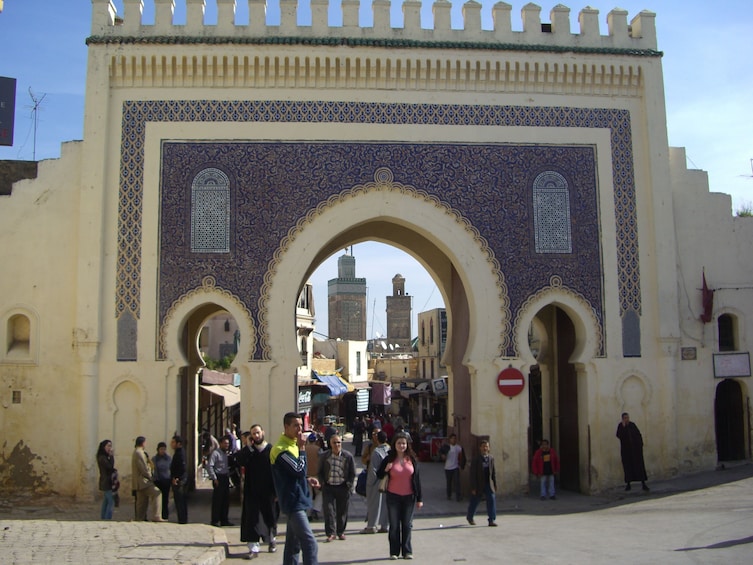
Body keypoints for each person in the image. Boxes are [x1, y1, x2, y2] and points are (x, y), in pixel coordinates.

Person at [271, 412, 320, 565]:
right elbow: (298, 469)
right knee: (310, 542)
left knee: (293, 545)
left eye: (301, 425)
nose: (299, 429)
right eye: (295, 426)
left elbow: (295, 473)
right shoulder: (280, 449)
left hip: (300, 498)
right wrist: (302, 448)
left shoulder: (293, 445)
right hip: (293, 502)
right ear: (286, 427)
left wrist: (306, 479)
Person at [376, 432, 423, 560]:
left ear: (407, 445)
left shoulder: (412, 459)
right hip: (393, 497)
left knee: (407, 525)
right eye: (399, 443)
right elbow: (378, 475)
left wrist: (420, 499)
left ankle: (407, 551)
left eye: (404, 443)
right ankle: (394, 552)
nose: (401, 446)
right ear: (394, 444)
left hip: (409, 497)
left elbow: (417, 480)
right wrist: (386, 469)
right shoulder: (389, 458)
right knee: (395, 525)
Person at [237, 424, 279, 559]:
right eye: (253, 434)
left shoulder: (271, 450)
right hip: (252, 491)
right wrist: (249, 446)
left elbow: (276, 472)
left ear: (263, 433)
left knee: (270, 517)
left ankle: (272, 541)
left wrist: (277, 492)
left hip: (268, 491)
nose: (256, 436)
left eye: (257, 433)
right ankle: (253, 548)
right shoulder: (249, 451)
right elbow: (239, 461)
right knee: (252, 519)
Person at [317, 433, 356, 541]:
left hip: (342, 487)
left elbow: (352, 473)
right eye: (334, 443)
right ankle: (330, 533)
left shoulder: (347, 456)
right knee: (329, 510)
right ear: (330, 443)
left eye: (338, 442)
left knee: (342, 511)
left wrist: (349, 484)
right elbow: (319, 472)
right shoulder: (325, 456)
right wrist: (322, 483)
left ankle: (340, 532)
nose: (337, 445)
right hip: (328, 487)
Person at [361, 430, 390, 534]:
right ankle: (384, 525)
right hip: (389, 481)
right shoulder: (390, 449)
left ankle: (371, 526)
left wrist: (369, 483)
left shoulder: (376, 451)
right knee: (386, 504)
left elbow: (373, 470)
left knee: (374, 504)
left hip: (377, 481)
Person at [131, 436, 165, 522]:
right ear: (143, 443)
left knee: (142, 502)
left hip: (139, 482)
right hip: (143, 481)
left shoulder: (136, 452)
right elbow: (144, 468)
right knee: (157, 493)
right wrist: (150, 477)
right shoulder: (139, 453)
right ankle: (156, 516)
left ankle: (140, 518)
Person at [466, 439, 498, 526]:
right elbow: (472, 474)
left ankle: (491, 519)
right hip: (478, 484)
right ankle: (470, 517)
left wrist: (494, 484)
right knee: (475, 501)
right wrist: (473, 487)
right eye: (483, 446)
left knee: (491, 500)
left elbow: (493, 473)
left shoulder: (491, 458)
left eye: (486, 446)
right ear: (480, 448)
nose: (485, 448)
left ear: (489, 448)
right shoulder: (476, 459)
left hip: (489, 484)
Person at [616, 412, 649, 492]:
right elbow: (618, 435)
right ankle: (628, 485)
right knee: (628, 467)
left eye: (628, 417)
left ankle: (643, 484)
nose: (627, 419)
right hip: (626, 452)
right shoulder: (621, 426)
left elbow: (638, 434)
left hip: (636, 451)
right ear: (623, 419)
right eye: (625, 418)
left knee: (639, 467)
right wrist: (623, 427)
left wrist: (640, 444)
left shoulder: (632, 425)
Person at [207, 436, 234, 526]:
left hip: (225, 477)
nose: (227, 445)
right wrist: (214, 478)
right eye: (225, 443)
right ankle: (215, 520)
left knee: (225, 500)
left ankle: (224, 520)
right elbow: (210, 466)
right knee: (217, 501)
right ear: (221, 443)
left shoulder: (226, 454)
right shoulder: (215, 453)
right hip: (218, 478)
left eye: (228, 444)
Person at [439, 434, 466, 501]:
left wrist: (462, 465)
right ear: (450, 439)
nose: (454, 440)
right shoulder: (446, 447)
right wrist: (442, 456)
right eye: (452, 438)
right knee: (449, 482)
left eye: (455, 438)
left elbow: (463, 455)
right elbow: (441, 454)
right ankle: (449, 495)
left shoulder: (458, 447)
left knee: (457, 482)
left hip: (455, 467)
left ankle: (458, 496)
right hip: (447, 467)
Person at [170, 434, 188, 524]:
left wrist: (176, 478)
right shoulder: (177, 453)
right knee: (179, 500)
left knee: (180, 500)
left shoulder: (180, 454)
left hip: (179, 480)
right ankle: (181, 518)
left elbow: (182, 468)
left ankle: (182, 519)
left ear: (179, 444)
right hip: (178, 479)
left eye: (173, 442)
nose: (171, 444)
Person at [305, 432, 323, 521]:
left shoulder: (303, 449)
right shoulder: (318, 449)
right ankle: (316, 509)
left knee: (308, 494)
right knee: (320, 493)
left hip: (306, 476)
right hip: (316, 475)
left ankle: (308, 514)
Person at [152, 441, 172, 520]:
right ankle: (157, 514)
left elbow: (170, 468)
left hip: (166, 481)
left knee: (165, 500)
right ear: (158, 449)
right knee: (157, 499)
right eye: (161, 449)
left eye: (164, 449)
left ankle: (165, 515)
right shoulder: (154, 459)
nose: (162, 451)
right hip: (157, 481)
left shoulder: (168, 458)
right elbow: (153, 470)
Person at [96, 439, 116, 520]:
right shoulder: (102, 458)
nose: (109, 448)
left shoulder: (105, 457)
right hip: (106, 482)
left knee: (106, 501)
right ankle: (107, 518)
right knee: (111, 501)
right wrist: (111, 456)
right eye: (108, 446)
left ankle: (103, 517)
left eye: (110, 446)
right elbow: (110, 467)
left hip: (107, 481)